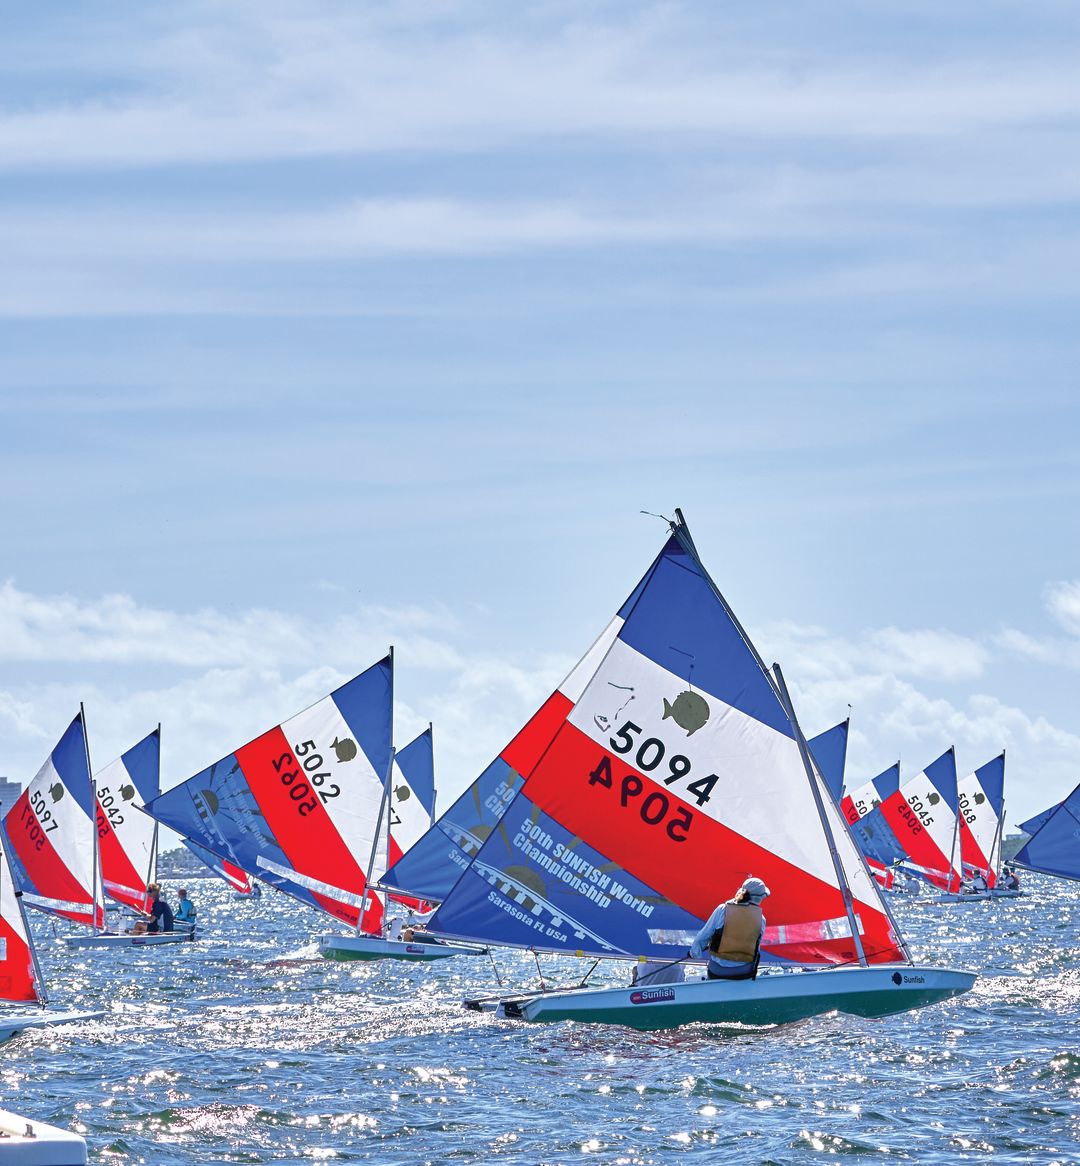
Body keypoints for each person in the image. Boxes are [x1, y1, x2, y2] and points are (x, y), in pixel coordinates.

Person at [689, 876, 770, 981]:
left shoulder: (722, 909)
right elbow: (756, 949)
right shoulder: (761, 919)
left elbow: (702, 937)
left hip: (717, 971)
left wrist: (694, 953)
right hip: (743, 973)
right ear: (760, 898)